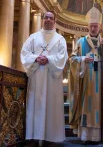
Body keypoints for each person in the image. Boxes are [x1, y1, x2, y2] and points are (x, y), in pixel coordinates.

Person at [21, 11, 68, 146]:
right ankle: (34, 138)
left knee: (51, 107)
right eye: (45, 17)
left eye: (50, 18)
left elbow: (62, 57)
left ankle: (50, 138)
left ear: (55, 21)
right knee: (34, 106)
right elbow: (24, 53)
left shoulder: (60, 39)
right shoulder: (33, 38)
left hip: (52, 79)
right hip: (36, 77)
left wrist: (48, 58)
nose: (48, 20)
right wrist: (35, 58)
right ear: (42, 20)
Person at [69, 7, 103, 144]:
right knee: (86, 105)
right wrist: (82, 59)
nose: (93, 28)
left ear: (99, 27)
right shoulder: (80, 42)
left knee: (99, 105)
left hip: (100, 80)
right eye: (91, 26)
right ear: (88, 27)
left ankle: (98, 135)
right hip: (86, 80)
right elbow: (72, 59)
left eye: (95, 26)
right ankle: (85, 136)